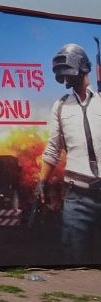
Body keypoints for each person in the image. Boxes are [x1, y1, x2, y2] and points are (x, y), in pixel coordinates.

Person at [42, 42, 101, 263]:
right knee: (76, 263)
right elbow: (52, 149)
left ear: (84, 67)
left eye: (68, 72)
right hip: (78, 199)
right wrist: (42, 183)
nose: (65, 79)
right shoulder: (60, 106)